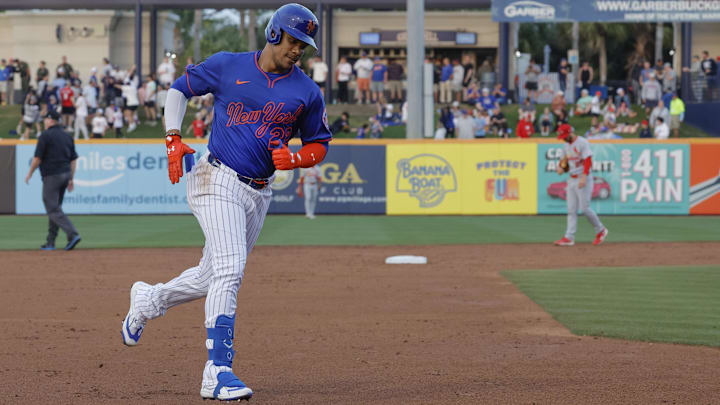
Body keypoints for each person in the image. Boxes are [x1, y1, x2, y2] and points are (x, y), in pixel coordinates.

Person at [120, 4, 331, 402]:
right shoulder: (227, 65)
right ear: (273, 34)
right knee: (231, 269)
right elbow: (179, 89)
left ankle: (148, 300)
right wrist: (171, 136)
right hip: (215, 176)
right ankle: (217, 370)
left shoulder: (306, 90)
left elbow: (319, 143)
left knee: (210, 276)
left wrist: (298, 158)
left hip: (259, 191)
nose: (298, 50)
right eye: (293, 40)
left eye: (304, 45)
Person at [23, 109, 82, 251]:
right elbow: (73, 160)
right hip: (65, 174)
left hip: (52, 176)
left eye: (45, 119)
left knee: (52, 208)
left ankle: (72, 234)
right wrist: (71, 178)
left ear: (50, 120)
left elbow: (37, 158)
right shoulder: (67, 136)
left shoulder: (45, 135)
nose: (44, 122)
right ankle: (50, 242)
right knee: (55, 209)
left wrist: (29, 173)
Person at [553, 123, 608, 247]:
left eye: (564, 135)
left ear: (570, 133)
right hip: (571, 179)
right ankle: (569, 237)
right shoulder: (566, 145)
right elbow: (563, 162)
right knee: (571, 210)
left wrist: (584, 177)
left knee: (584, 208)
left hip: (583, 178)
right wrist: (561, 168)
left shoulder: (582, 142)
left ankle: (601, 230)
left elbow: (588, 160)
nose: (563, 138)